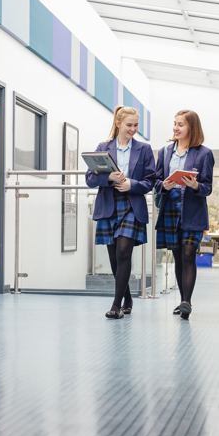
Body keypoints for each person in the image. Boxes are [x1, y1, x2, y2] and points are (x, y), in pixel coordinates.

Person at [86, 106, 155, 319]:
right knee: (114, 257)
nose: (133, 129)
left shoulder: (144, 149)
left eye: (136, 125)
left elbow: (150, 181)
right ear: (118, 124)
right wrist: (109, 179)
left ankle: (116, 305)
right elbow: (90, 179)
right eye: (129, 125)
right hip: (109, 205)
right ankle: (127, 297)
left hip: (132, 205)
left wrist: (131, 184)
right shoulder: (103, 147)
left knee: (124, 251)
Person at [153, 110, 214, 320]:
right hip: (170, 210)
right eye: (175, 124)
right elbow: (156, 180)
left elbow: (207, 188)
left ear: (192, 128)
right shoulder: (164, 152)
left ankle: (187, 301)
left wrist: (195, 184)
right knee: (178, 257)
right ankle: (182, 300)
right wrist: (164, 184)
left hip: (192, 211)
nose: (176, 128)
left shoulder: (204, 153)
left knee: (189, 254)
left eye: (181, 125)